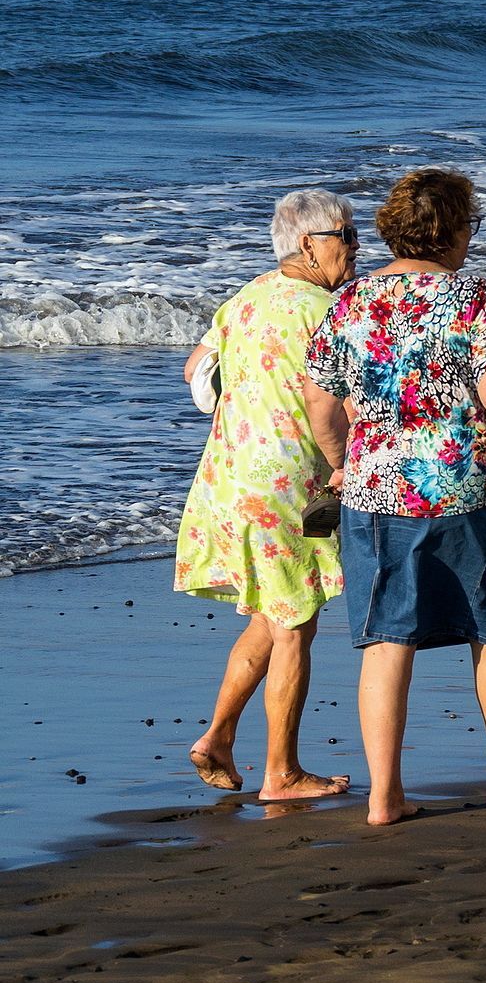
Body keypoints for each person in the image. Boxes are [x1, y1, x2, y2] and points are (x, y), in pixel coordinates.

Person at [303, 167, 486, 828]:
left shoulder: (348, 301)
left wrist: (339, 461)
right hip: (464, 484)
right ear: (455, 230)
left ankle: (384, 795)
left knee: (386, 637)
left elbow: (320, 395)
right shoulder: (471, 296)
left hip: (376, 490)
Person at [175, 187, 358, 801]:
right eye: (346, 236)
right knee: (294, 627)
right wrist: (344, 466)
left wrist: (247, 398)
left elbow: (195, 372)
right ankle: (282, 772)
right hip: (285, 487)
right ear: (309, 244)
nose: (356, 249)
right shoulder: (323, 312)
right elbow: (328, 402)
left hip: (228, 476)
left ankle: (218, 737)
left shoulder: (245, 296)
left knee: (270, 612)